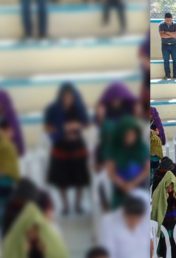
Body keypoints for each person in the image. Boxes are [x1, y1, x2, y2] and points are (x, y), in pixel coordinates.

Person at [44, 83, 89, 215]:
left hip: (77, 146)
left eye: (70, 96)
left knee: (80, 178)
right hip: (61, 147)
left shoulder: (78, 108)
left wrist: (76, 125)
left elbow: (85, 123)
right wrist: (62, 128)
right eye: (65, 96)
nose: (68, 99)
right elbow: (47, 127)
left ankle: (78, 204)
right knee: (61, 179)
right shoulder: (53, 109)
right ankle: (65, 205)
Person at [105, 117, 149, 209]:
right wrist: (124, 185)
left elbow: (146, 169)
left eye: (132, 134)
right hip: (119, 190)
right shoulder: (114, 148)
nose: (130, 138)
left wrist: (133, 184)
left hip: (139, 187)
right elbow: (110, 171)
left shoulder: (141, 147)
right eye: (127, 135)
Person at [98, 194, 150, 258]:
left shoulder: (143, 222)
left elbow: (150, 246)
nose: (134, 222)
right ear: (125, 214)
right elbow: (108, 252)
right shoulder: (109, 223)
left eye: (137, 220)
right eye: (132, 219)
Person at [159, 13, 176, 80]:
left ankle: (175, 76)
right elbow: (162, 36)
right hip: (165, 45)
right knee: (166, 61)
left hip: (174, 45)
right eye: (167, 20)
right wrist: (172, 34)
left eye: (169, 20)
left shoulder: (175, 24)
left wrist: (167, 33)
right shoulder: (161, 25)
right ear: (164, 19)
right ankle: (167, 76)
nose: (168, 21)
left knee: (175, 60)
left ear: (172, 19)